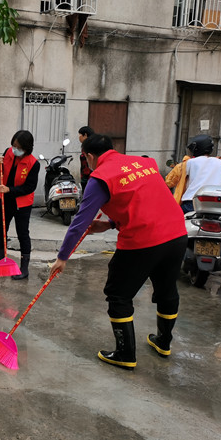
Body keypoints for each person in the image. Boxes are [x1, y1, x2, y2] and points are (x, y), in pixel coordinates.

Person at [49, 135, 187, 370]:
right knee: (167, 290)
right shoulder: (145, 163)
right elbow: (146, 201)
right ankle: (164, 343)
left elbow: (80, 222)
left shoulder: (100, 177)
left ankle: (125, 354)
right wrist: (110, 224)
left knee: (118, 294)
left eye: (85, 158)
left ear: (90, 156)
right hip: (176, 235)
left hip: (143, 241)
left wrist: (62, 258)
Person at [0, 130, 40, 280]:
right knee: (0, 230)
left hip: (22, 203)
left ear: (26, 148)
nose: (14, 149)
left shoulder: (33, 163)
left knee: (22, 233)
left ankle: (24, 268)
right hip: (5, 200)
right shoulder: (8, 153)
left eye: (18, 147)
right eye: (13, 145)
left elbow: (30, 187)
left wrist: (10, 189)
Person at [169, 135, 221, 213]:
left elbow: (170, 181)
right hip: (217, 202)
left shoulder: (189, 163)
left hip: (193, 202)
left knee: (173, 217)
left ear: (196, 149)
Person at [77, 126, 95, 192]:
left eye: (80, 135)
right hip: (85, 175)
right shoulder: (85, 146)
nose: (79, 137)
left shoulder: (90, 146)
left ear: (85, 135)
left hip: (90, 176)